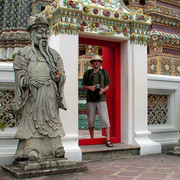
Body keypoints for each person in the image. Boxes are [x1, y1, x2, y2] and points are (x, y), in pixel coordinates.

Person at [13, 14, 67, 161]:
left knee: (52, 121)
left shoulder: (54, 55)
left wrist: (58, 77)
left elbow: (62, 73)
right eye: (39, 32)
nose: (44, 36)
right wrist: (26, 82)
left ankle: (55, 147)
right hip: (33, 94)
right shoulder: (23, 54)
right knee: (32, 122)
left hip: (49, 95)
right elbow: (20, 73)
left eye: (46, 32)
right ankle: (31, 148)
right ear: (31, 34)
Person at [82, 55, 113, 147]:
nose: (96, 63)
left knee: (105, 118)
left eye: (98, 61)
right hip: (90, 99)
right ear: (92, 63)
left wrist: (103, 90)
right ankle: (92, 138)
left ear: (100, 63)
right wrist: (90, 87)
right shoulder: (87, 73)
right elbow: (83, 86)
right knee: (91, 119)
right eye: (94, 61)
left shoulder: (104, 73)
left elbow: (107, 86)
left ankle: (108, 139)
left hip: (101, 98)